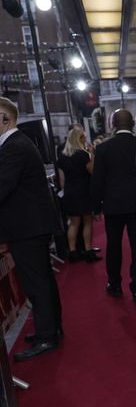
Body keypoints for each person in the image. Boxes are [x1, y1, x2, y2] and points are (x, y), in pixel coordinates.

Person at [0, 97, 64, 361]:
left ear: (5, 118)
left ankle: (47, 335)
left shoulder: (14, 146)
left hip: (27, 228)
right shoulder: (16, 144)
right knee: (42, 281)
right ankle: (50, 330)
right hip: (30, 226)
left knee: (37, 283)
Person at [91, 109, 136, 300]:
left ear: (113, 124)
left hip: (113, 204)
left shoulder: (104, 148)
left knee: (113, 246)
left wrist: (96, 207)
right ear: (132, 124)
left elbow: (98, 180)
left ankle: (114, 284)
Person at [59, 127, 101, 262]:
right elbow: (93, 171)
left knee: (73, 223)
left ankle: (72, 252)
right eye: (83, 137)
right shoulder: (83, 155)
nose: (86, 139)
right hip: (83, 191)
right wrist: (92, 154)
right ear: (79, 139)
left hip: (70, 191)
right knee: (87, 222)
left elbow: (62, 179)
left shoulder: (63, 156)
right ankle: (88, 251)